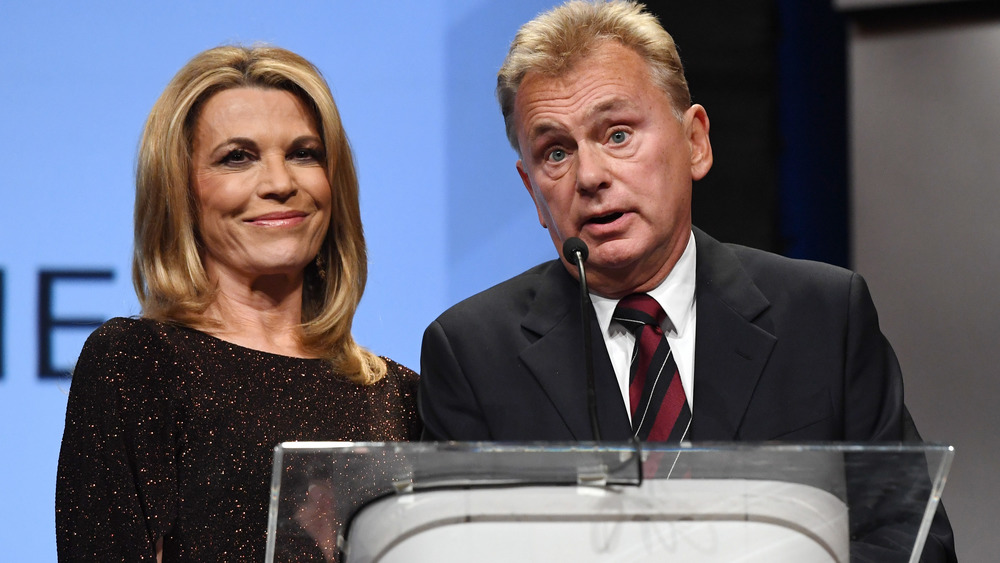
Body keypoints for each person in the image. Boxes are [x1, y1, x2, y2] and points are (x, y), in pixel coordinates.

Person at [418, 1, 955, 561]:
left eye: (618, 134)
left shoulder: (823, 314)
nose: (592, 176)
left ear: (695, 141)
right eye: (556, 152)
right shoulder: (472, 353)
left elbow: (917, 543)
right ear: (533, 191)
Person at [56, 45, 421, 562]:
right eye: (237, 158)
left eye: (304, 153)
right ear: (182, 191)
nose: (279, 183)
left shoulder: (399, 397)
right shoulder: (137, 363)